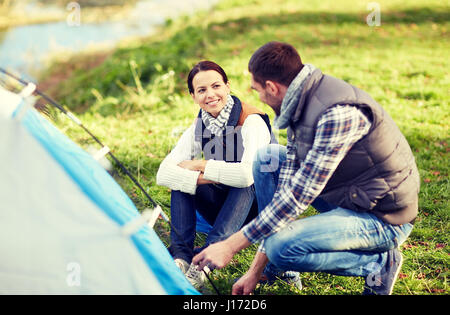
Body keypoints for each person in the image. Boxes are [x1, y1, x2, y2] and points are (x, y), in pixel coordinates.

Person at [192, 42, 420, 295]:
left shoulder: (335, 114)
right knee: (268, 158)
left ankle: (378, 263)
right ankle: (278, 268)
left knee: (282, 246)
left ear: (272, 87)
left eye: (257, 90)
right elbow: (285, 189)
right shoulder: (299, 101)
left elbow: (297, 197)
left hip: (384, 218)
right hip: (350, 197)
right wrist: (255, 271)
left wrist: (230, 245)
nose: (258, 98)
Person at [156, 60, 275, 288]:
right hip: (221, 208)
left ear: (227, 86)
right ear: (193, 96)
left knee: (245, 179)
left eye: (216, 86)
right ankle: (180, 258)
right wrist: (199, 178)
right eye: (201, 90)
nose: (210, 94)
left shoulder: (252, 121)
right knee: (182, 181)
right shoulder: (200, 123)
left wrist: (201, 165)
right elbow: (163, 173)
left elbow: (246, 177)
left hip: (255, 211)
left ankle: (206, 262)